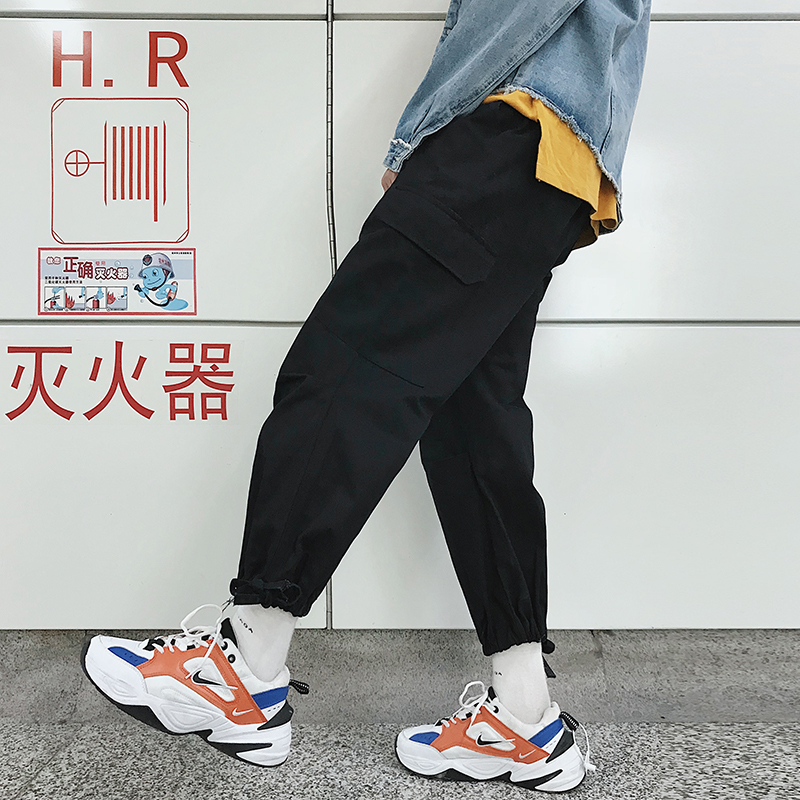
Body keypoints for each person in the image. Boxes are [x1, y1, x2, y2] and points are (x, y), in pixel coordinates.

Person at [81, 0, 651, 792]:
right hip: (558, 170)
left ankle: (245, 664)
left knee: (345, 371)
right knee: (472, 428)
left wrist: (421, 133)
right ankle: (525, 717)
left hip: (511, 135)